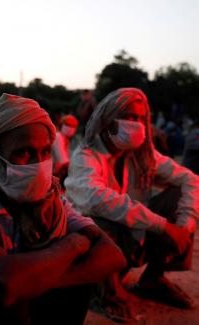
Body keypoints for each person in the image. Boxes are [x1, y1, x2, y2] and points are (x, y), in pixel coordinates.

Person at [0, 93, 126, 325]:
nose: (38, 163)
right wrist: (73, 244)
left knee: (73, 273)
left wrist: (37, 282)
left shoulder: (52, 201)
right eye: (24, 152)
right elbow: (2, 285)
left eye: (45, 152)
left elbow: (113, 256)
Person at [64, 88, 199, 314]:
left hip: (133, 240)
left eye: (139, 117)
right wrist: (163, 226)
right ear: (108, 119)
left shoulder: (142, 155)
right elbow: (96, 199)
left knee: (177, 196)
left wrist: (184, 227)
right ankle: (105, 292)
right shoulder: (86, 155)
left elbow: (191, 180)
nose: (135, 123)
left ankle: (152, 280)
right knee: (98, 220)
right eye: (127, 116)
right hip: (95, 249)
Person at [52, 114, 79, 187]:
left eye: (73, 126)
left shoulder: (65, 139)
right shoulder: (58, 137)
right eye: (68, 125)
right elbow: (63, 161)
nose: (70, 129)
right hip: (53, 175)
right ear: (61, 125)